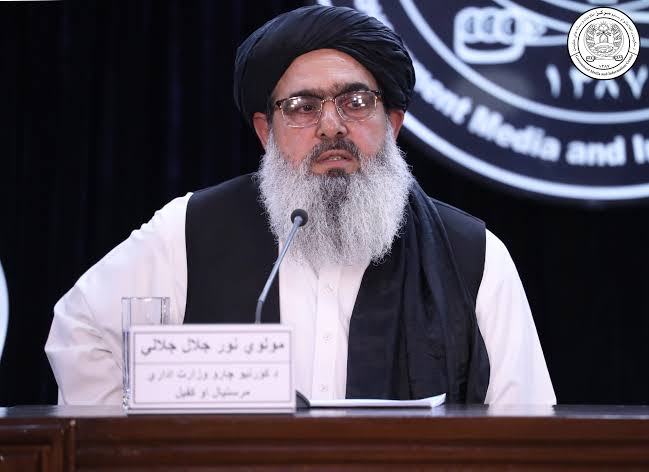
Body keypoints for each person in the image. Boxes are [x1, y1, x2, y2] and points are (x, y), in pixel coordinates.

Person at [45, 5, 555, 405]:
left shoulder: (472, 254)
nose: (332, 126)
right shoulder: (193, 228)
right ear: (266, 132)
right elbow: (81, 331)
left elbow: (525, 421)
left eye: (356, 102)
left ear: (393, 123)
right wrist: (137, 453)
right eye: (302, 107)